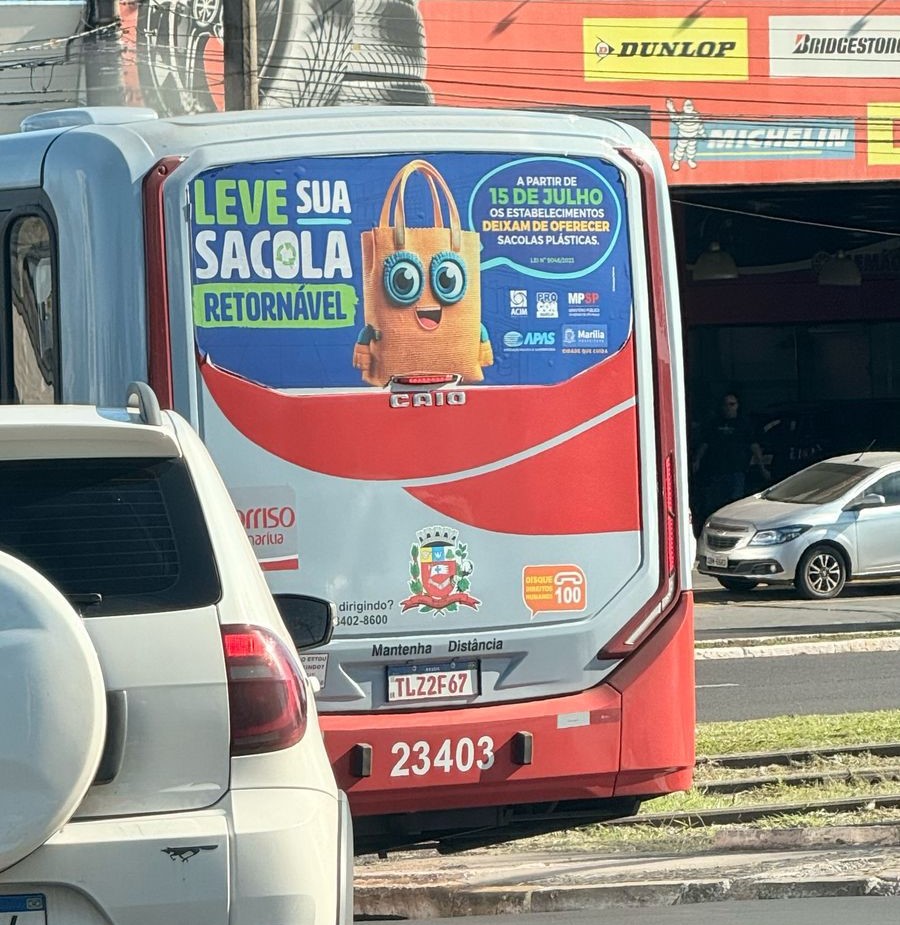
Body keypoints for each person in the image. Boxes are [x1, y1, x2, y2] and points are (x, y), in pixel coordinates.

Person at [692, 393, 769, 521]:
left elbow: (754, 446)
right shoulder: (714, 424)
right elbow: (705, 444)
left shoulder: (744, 424)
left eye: (732, 404)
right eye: (725, 404)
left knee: (735, 504)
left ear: (737, 406)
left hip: (737, 471)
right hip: (716, 471)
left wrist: (762, 468)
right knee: (716, 504)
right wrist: (697, 460)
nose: (728, 407)